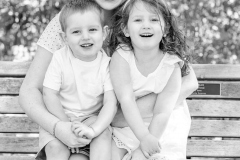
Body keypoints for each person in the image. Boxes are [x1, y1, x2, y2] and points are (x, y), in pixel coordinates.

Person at [19, 0, 198, 159]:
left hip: (123, 127)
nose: (85, 36)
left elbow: (189, 81)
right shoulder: (68, 18)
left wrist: (120, 118)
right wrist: (59, 127)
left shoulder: (142, 10)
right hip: (81, 123)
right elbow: (29, 90)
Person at [108, 0, 198, 159]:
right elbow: (126, 99)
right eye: (138, 20)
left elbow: (162, 112)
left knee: (145, 156)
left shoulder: (171, 66)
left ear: (165, 29)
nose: (146, 25)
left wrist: (147, 143)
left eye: (154, 19)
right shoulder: (121, 57)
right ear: (125, 29)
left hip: (163, 125)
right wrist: (143, 137)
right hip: (130, 122)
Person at [35, 0, 117, 160]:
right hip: (59, 115)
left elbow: (110, 103)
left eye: (92, 29)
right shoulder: (59, 58)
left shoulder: (107, 64)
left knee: (104, 135)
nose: (85, 37)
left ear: (104, 33)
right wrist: (65, 125)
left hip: (91, 117)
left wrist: (95, 129)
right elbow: (49, 95)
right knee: (55, 146)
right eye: (76, 32)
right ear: (64, 38)